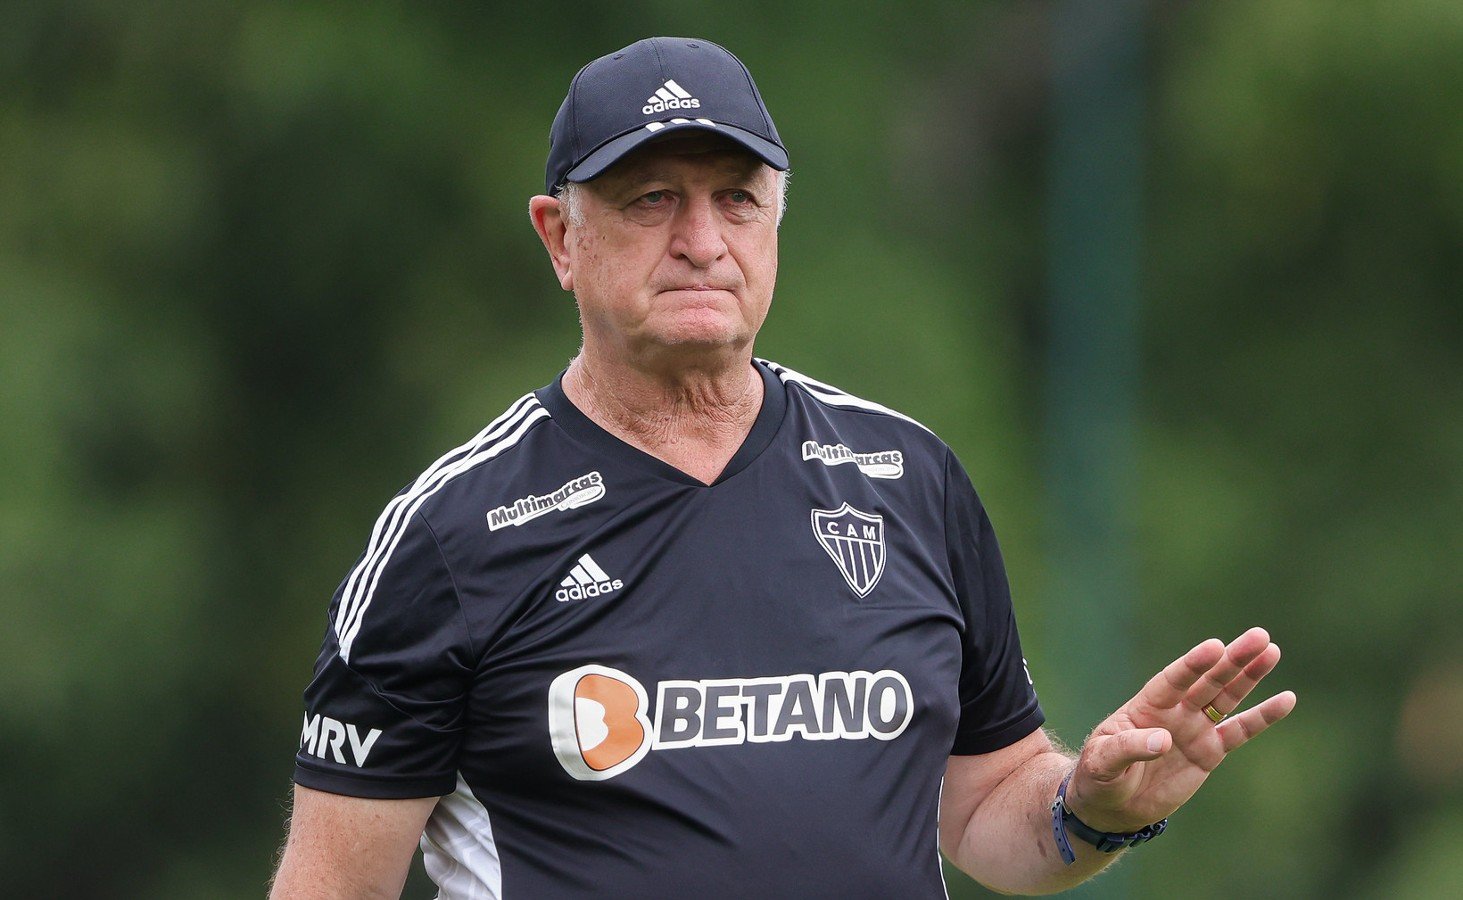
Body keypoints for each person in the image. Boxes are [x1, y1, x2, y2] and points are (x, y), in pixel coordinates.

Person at [269, 37, 1295, 898]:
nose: (702, 241)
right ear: (559, 238)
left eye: (737, 199)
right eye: (650, 200)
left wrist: (1092, 810)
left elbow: (985, 806)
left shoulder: (906, 478)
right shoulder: (453, 533)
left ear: (775, 219)